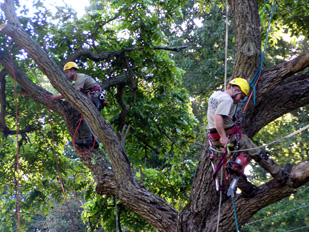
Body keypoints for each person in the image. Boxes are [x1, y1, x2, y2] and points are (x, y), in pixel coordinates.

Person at [207, 78, 291, 197]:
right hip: (228, 137)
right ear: (236, 89)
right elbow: (217, 118)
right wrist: (223, 137)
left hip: (215, 140)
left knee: (231, 166)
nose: (240, 100)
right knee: (256, 152)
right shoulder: (227, 100)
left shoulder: (216, 95)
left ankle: (248, 190)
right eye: (241, 97)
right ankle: (281, 176)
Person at [50, 61, 108, 148]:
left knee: (85, 116)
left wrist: (56, 97)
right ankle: (93, 139)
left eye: (67, 72)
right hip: (94, 97)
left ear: (73, 70)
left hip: (95, 97)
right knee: (86, 117)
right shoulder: (78, 81)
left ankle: (89, 139)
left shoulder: (80, 77)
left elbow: (75, 92)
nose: (66, 74)